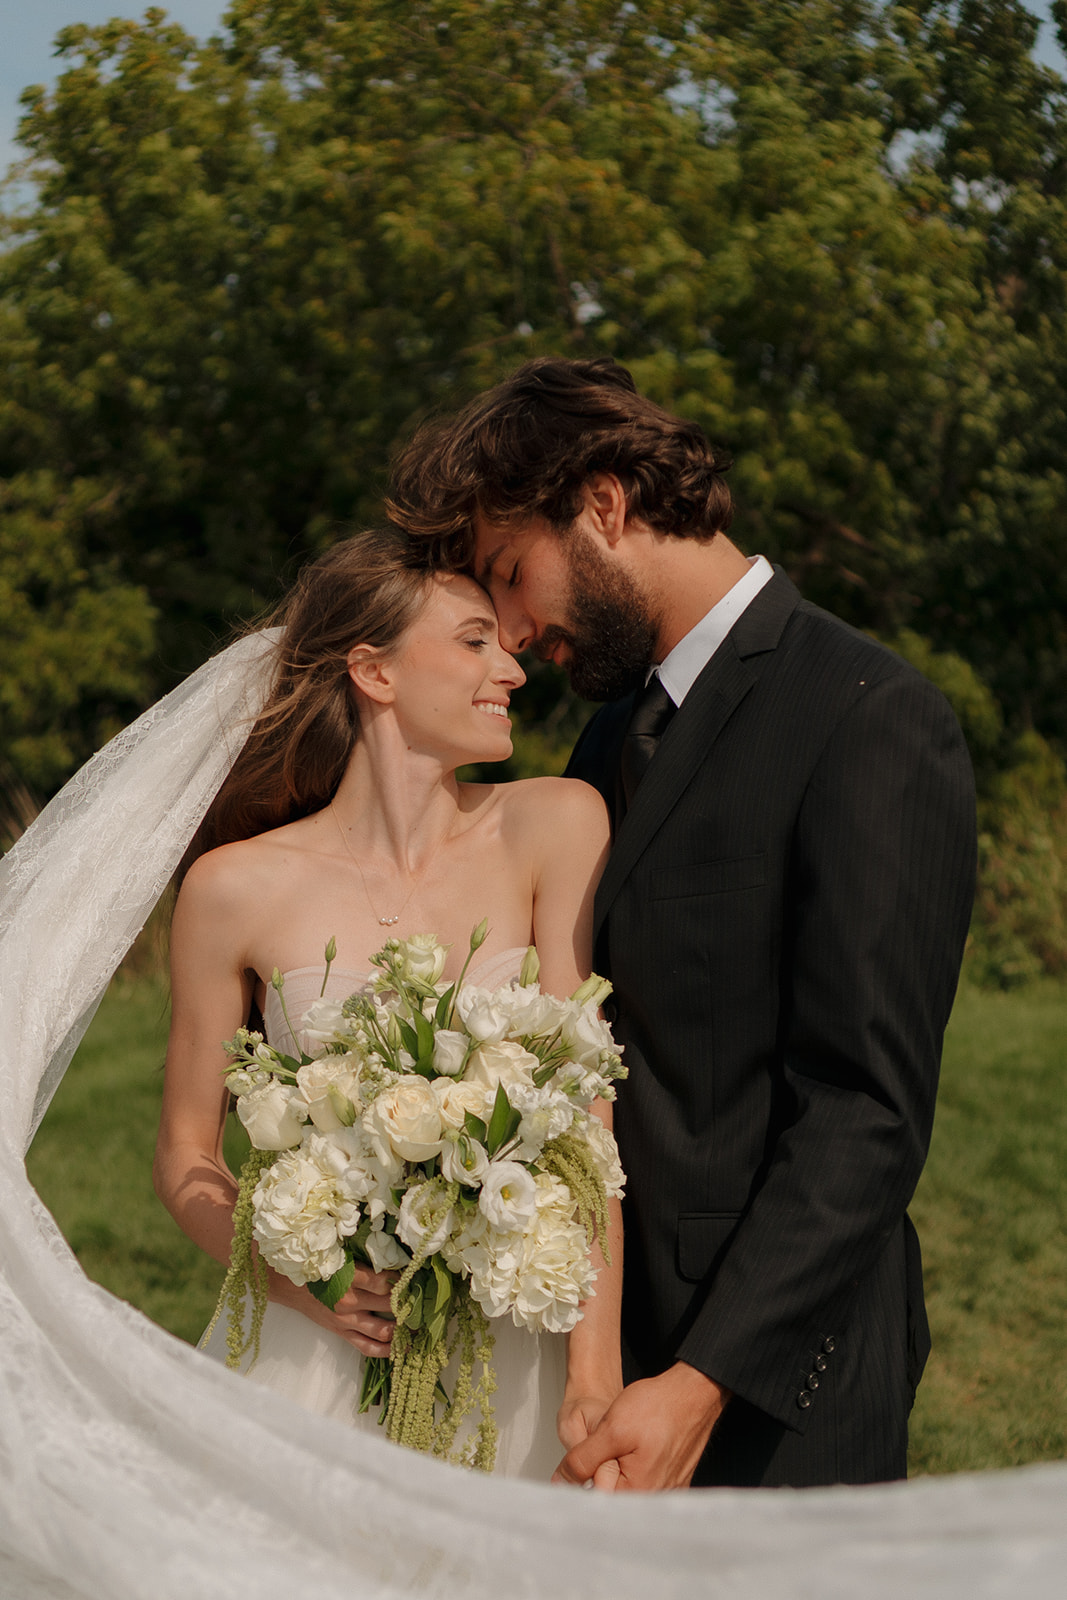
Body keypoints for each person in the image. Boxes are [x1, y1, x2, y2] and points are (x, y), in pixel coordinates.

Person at [387, 356, 978, 1491]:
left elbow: (865, 1111)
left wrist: (701, 1381)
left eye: (511, 574)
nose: (508, 633)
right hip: (595, 1357)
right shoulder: (613, 741)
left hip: (776, 1386)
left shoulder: (870, 719)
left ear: (603, 505)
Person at [153, 526, 622, 1482]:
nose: (512, 671)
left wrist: (593, 1371)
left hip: (513, 1358)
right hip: (315, 1361)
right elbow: (186, 1156)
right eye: (473, 641)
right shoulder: (231, 889)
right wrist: (297, 1283)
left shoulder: (555, 823)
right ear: (374, 672)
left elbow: (591, 1123)